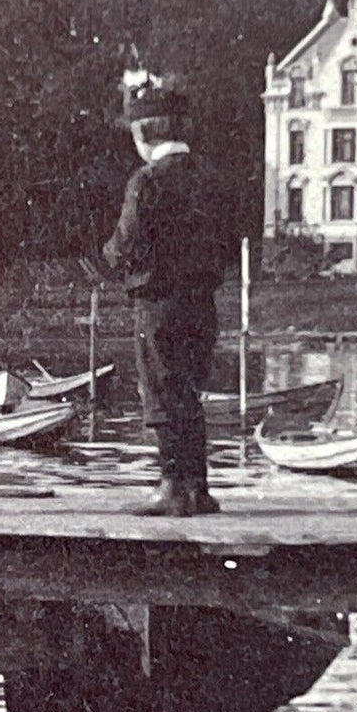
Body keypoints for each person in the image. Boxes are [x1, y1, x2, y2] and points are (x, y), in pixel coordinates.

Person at [102, 70, 235, 517]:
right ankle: (199, 487)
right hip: (202, 302)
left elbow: (125, 244)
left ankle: (170, 485)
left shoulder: (146, 181)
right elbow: (228, 243)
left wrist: (109, 255)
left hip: (158, 303)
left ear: (145, 132)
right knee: (191, 391)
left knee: (160, 391)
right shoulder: (213, 179)